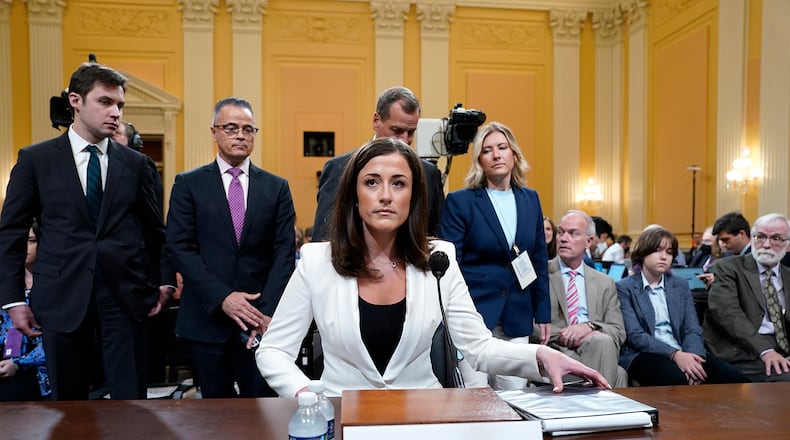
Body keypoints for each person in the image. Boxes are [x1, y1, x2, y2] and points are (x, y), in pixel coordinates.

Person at [255, 137, 609, 397]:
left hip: (423, 416)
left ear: (413, 197)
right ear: (353, 195)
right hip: (344, 415)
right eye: (371, 182)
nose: (385, 195)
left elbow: (479, 348)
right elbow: (273, 350)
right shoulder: (317, 262)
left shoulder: (438, 259)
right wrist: (304, 394)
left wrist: (542, 356)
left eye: (398, 184)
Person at [0, 62, 167, 400]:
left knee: (131, 403)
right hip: (60, 297)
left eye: (120, 105)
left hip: (125, 297)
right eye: (105, 102)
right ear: (75, 100)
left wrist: (161, 282)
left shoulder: (137, 164)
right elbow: (11, 233)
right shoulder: (36, 160)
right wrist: (14, 300)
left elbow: (155, 233)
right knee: (69, 406)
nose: (116, 112)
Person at [166, 97, 296, 398]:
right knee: (215, 413)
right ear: (214, 132)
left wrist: (265, 313)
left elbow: (284, 252)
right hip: (206, 317)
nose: (240, 135)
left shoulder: (276, 188)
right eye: (231, 128)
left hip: (260, 321)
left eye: (248, 129)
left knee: (263, 410)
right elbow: (180, 247)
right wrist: (223, 297)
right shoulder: (189, 184)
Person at [439, 122, 550, 390]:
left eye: (502, 147)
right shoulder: (461, 201)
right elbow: (452, 263)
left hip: (517, 313)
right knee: (474, 397)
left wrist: (543, 312)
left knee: (515, 398)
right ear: (479, 160)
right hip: (474, 313)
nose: (496, 155)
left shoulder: (530, 199)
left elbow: (538, 258)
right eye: (487, 150)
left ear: (514, 154)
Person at [617, 225, 748, 386]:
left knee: (736, 379)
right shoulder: (625, 287)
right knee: (677, 380)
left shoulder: (680, 285)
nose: (664, 257)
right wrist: (676, 355)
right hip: (645, 353)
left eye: (669, 252)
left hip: (684, 349)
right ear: (643, 253)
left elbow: (691, 328)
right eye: (658, 250)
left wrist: (693, 359)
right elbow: (636, 336)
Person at [312, 86, 444, 241]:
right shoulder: (339, 168)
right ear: (376, 121)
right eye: (397, 130)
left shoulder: (429, 173)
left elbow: (434, 235)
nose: (404, 139)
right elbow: (324, 235)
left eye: (411, 132)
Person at [546, 210, 628, 387]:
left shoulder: (604, 282)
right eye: (560, 232)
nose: (563, 238)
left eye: (573, 233)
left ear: (589, 241)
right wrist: (569, 335)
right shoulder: (540, 275)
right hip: (555, 351)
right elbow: (529, 326)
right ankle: (606, 414)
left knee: (601, 341)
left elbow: (618, 331)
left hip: (597, 348)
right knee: (618, 373)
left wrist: (588, 327)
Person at [704, 213, 790, 382]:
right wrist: (765, 350)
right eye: (760, 237)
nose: (766, 244)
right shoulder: (729, 268)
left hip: (782, 348)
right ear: (751, 238)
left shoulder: (787, 276)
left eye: (776, 238)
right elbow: (728, 314)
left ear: (788, 245)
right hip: (742, 350)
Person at [0, 221, 51, 401]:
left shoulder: (53, 286)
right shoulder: (7, 287)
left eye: (30, 240)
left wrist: (17, 364)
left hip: (39, 368)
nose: (23, 247)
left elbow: (53, 342)